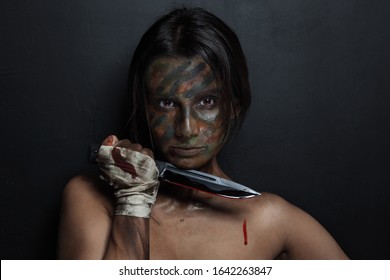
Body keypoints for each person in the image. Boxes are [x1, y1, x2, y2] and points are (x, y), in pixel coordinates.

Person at [57, 7, 348, 260]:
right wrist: (133, 200)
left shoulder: (272, 221)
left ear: (232, 106)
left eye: (206, 102)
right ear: (144, 106)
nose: (186, 129)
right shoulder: (91, 199)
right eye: (167, 103)